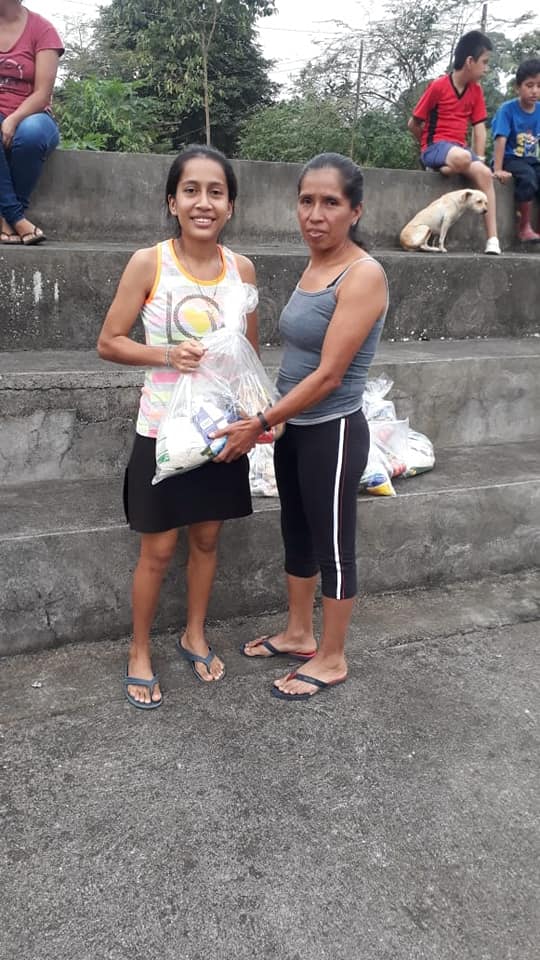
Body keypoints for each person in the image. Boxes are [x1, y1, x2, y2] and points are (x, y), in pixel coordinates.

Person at [213, 153, 388, 702]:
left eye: (330, 202)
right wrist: (261, 407)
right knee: (297, 530)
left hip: (332, 430)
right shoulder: (315, 266)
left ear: (355, 211)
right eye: (306, 201)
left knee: (333, 543)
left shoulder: (363, 274)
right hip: (293, 426)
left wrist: (262, 420)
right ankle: (298, 633)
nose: (315, 214)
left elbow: (330, 374)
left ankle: (332, 657)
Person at [97, 145, 259, 710]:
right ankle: (139, 649)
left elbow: (247, 354)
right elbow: (109, 342)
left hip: (219, 432)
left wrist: (255, 420)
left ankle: (194, 634)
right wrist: (167, 355)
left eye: (216, 192)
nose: (203, 202)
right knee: (159, 548)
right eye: (191, 191)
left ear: (231, 205)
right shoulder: (150, 263)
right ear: (172, 202)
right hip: (163, 431)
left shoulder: (242, 270)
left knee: (208, 538)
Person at [408, 30, 501, 256]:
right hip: (435, 146)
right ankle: (442, 164)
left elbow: (479, 128)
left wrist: (479, 159)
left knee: (484, 173)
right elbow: (413, 123)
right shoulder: (438, 86)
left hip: (459, 152)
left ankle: (493, 239)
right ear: (469, 61)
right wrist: (426, 148)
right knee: (463, 157)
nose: (486, 68)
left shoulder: (475, 91)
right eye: (484, 62)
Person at [0, 0, 63, 245]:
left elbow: (42, 94)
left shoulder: (42, 30)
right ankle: (16, 218)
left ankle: (5, 217)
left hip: (32, 114)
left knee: (32, 135)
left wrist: (13, 119)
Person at [491, 58, 540, 243]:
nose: (535, 91)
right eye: (529, 85)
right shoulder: (507, 110)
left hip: (531, 159)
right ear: (518, 87)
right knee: (528, 177)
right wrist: (497, 169)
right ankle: (524, 227)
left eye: (539, 86)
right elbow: (500, 139)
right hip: (510, 159)